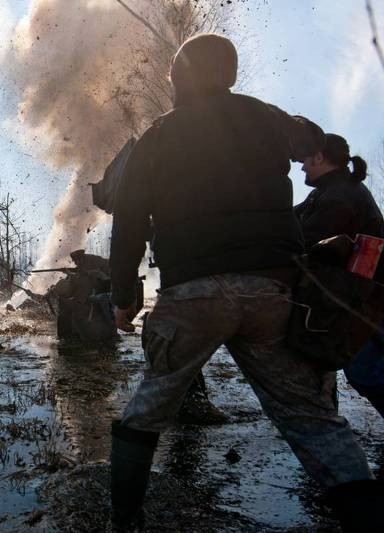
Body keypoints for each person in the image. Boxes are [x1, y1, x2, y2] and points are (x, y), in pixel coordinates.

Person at [108, 34, 377, 531]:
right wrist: (285, 120)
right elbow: (312, 139)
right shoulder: (266, 118)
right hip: (270, 292)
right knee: (312, 418)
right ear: (230, 76)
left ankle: (123, 521)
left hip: (192, 294)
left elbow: (126, 220)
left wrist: (124, 296)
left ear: (178, 78)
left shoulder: (158, 135)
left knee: (146, 410)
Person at [295, 134, 384, 417]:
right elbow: (290, 219)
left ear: (319, 157)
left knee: (367, 371)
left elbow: (303, 241)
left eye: (305, 161)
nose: (301, 168)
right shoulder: (329, 191)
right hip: (359, 297)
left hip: (363, 300)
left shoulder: (338, 197)